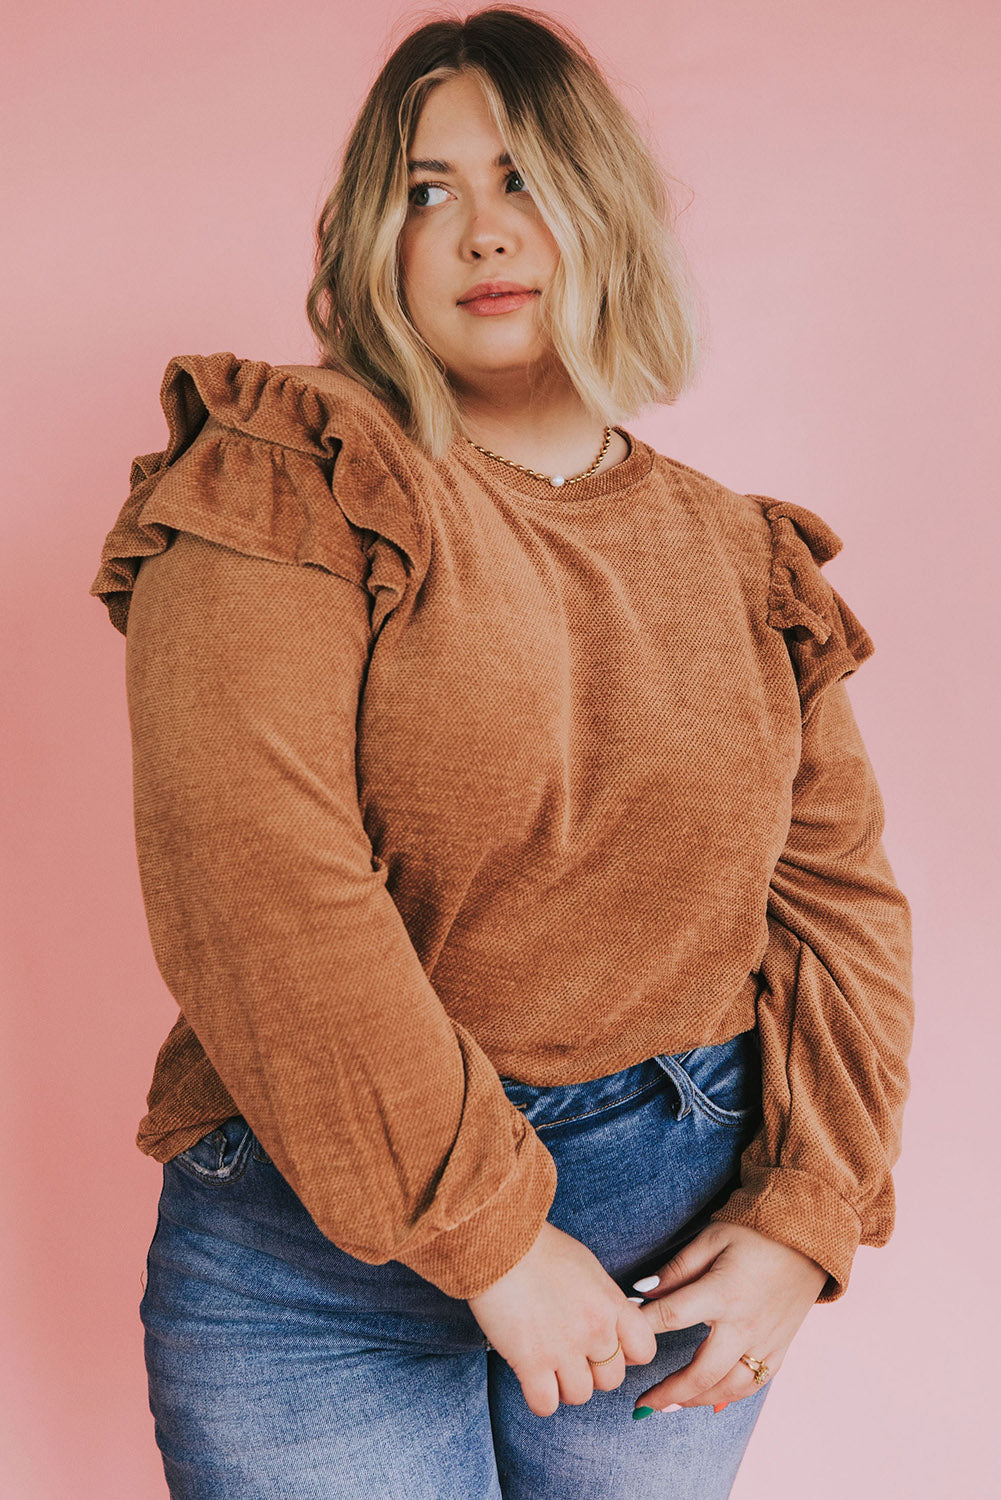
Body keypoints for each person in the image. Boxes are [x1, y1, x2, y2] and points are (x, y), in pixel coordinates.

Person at [88, 7, 914, 1498]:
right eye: (427, 189)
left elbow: (836, 905)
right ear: (372, 243)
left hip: (673, 1245)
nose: (480, 230)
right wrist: (491, 1237)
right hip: (310, 1263)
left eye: (525, 177)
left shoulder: (737, 554)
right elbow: (258, 882)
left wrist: (810, 1213)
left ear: (606, 214)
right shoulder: (290, 473)